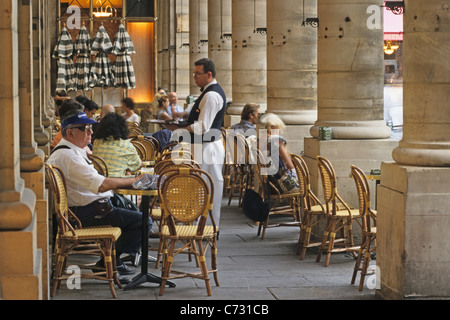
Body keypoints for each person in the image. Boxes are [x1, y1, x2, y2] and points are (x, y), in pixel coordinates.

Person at [47, 110, 152, 276]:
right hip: (86, 214)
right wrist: (133, 180)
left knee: (134, 214)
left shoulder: (70, 151)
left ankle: (111, 262)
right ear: (70, 133)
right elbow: (101, 185)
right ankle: (108, 262)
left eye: (91, 128)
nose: (91, 132)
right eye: (86, 128)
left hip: (86, 209)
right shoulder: (68, 156)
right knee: (143, 221)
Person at [166, 58, 226, 227]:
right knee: (199, 186)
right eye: (194, 73)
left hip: (208, 147)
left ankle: (207, 228)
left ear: (209, 74)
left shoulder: (212, 95)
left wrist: (179, 131)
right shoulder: (206, 93)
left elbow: (203, 126)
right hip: (202, 146)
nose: (194, 77)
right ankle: (197, 224)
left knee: (206, 186)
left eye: (197, 73)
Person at [259, 113, 299, 194]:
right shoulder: (277, 140)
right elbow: (289, 164)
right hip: (282, 184)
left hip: (269, 183)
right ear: (274, 127)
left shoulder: (261, 140)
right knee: (305, 185)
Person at [93, 112, 142, 177]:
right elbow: (137, 165)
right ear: (122, 128)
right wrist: (127, 169)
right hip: (118, 183)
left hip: (98, 181)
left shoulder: (96, 142)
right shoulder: (126, 145)